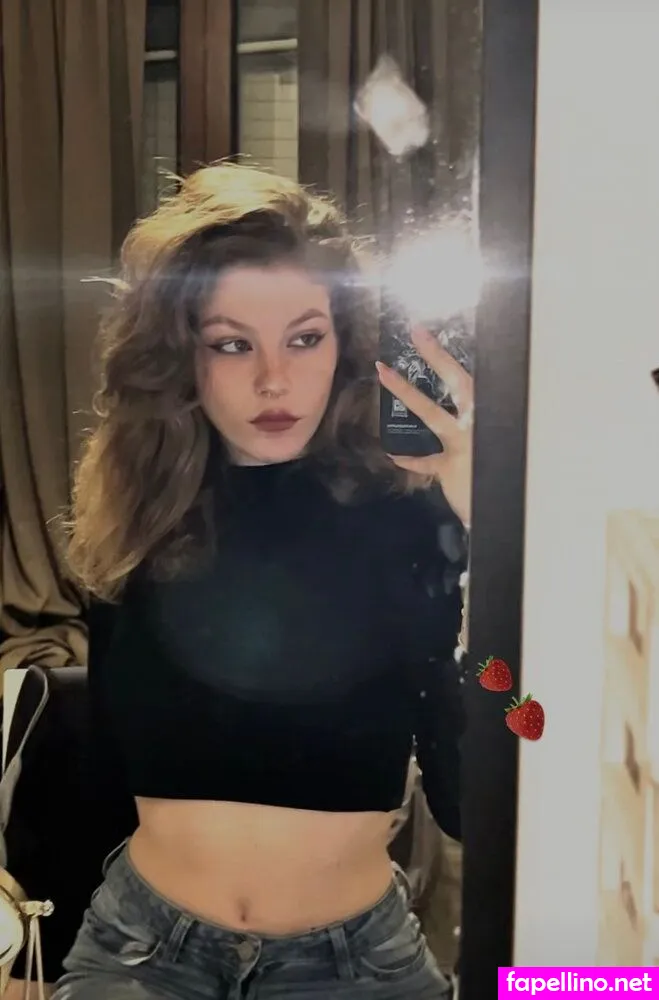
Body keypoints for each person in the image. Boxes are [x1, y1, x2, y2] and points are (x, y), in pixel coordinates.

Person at [33, 163, 472, 1000]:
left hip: (355, 965)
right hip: (140, 948)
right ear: (182, 356)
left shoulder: (409, 511)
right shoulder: (139, 511)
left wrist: (492, 543)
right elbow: (105, 777)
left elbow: (476, 790)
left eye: (304, 338)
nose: (274, 379)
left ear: (344, 344)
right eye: (232, 344)